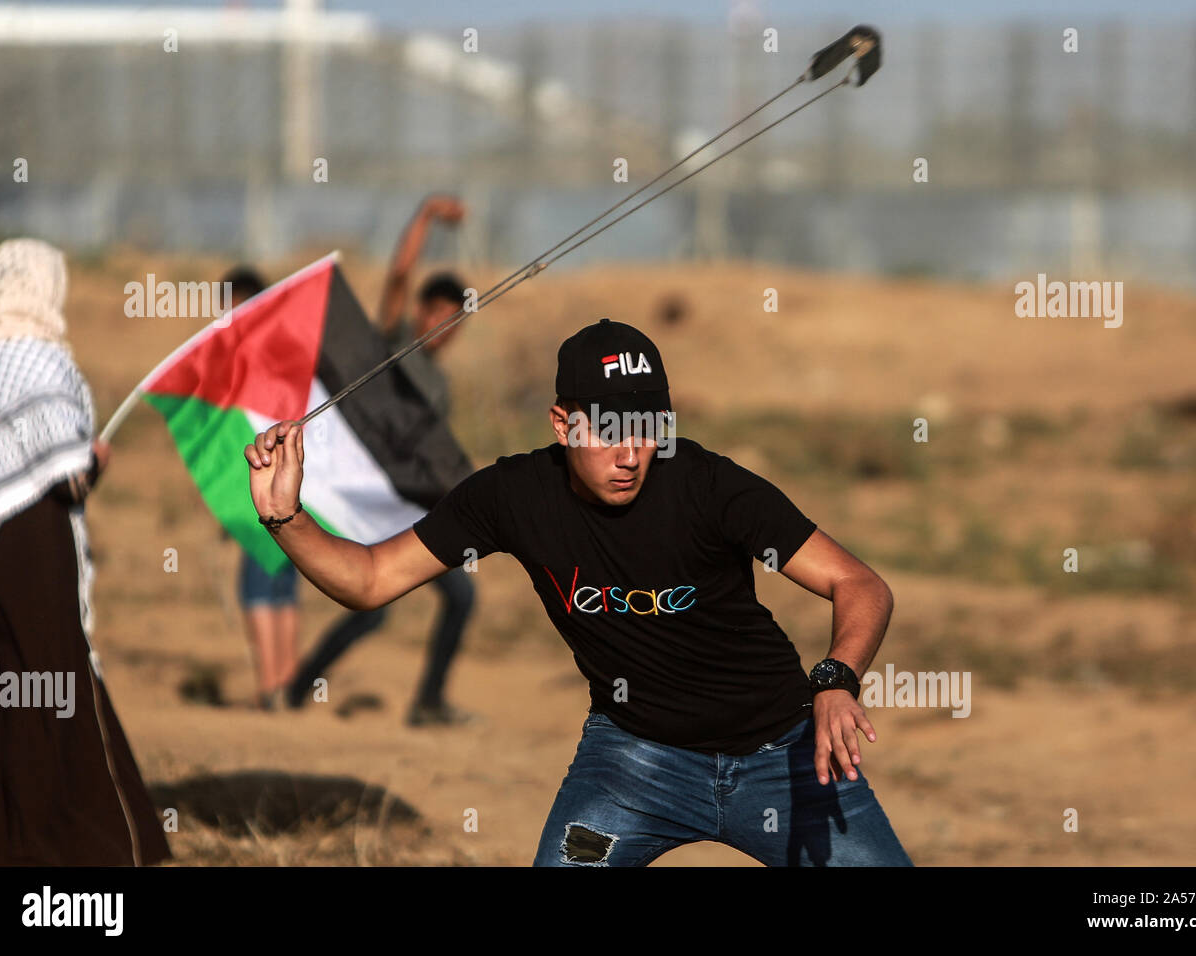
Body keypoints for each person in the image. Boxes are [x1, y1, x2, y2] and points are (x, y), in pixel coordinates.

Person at [246, 318, 913, 866]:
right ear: (563, 424)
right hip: (632, 761)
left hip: (788, 757)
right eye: (608, 430)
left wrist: (835, 678)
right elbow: (369, 581)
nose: (630, 453)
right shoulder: (509, 497)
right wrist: (286, 518)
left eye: (648, 429)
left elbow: (859, 583)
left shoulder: (711, 487)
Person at [0, 238, 171, 865]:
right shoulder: (42, 358)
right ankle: (105, 847)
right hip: (34, 548)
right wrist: (92, 462)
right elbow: (63, 470)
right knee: (61, 679)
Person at [285, 195, 476, 727]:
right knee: (373, 609)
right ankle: (298, 691)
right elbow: (398, 274)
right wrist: (425, 216)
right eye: (436, 311)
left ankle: (428, 703)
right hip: (371, 499)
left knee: (459, 596)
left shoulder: (441, 385)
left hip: (410, 509)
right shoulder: (395, 346)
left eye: (454, 317)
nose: (445, 323)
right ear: (421, 312)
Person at [223, 266, 300, 711]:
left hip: (261, 485)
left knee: (258, 584)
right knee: (282, 579)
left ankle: (271, 685)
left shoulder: (247, 360)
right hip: (289, 484)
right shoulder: (283, 355)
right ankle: (285, 683)